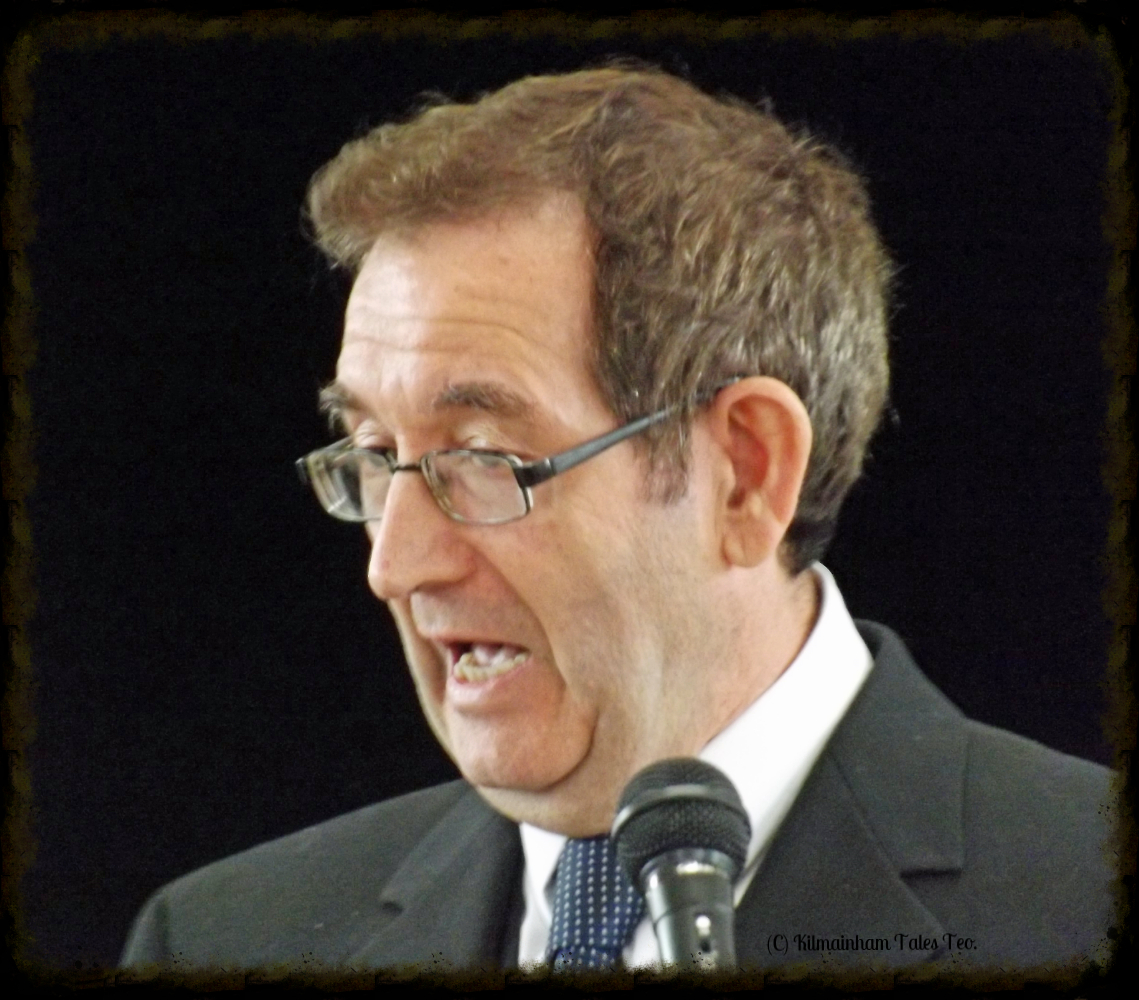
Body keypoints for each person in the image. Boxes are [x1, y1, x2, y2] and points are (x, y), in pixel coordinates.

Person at [120, 66, 1115, 977]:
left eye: (485, 459)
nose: (396, 563)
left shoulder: (1082, 896)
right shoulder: (215, 940)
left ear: (746, 475)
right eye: (376, 455)